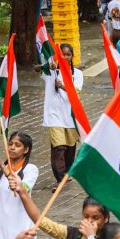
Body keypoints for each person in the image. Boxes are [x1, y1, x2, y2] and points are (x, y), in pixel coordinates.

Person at [36, 44, 83, 188]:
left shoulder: (78, 74)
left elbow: (76, 91)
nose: (65, 57)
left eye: (68, 54)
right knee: (58, 147)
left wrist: (62, 86)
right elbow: (36, 69)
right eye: (62, 54)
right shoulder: (51, 71)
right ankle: (60, 178)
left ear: (72, 56)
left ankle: (67, 173)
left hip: (70, 115)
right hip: (53, 115)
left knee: (69, 147)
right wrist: (44, 66)